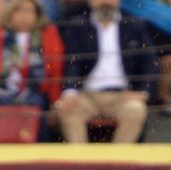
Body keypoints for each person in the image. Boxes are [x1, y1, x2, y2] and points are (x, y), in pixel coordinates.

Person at [56, 0, 157, 144]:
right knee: (66, 109)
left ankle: (119, 163)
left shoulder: (134, 24)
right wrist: (70, 91)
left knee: (136, 110)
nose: (105, 2)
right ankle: (78, 162)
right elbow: (71, 62)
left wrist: (143, 91)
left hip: (122, 95)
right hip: (87, 95)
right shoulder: (77, 25)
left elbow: (150, 61)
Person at [0, 0, 64, 141]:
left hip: (37, 94)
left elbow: (55, 69)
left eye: (29, 11)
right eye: (19, 10)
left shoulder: (48, 33)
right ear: (10, 13)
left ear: (37, 14)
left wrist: (55, 102)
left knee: (38, 108)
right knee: (1, 108)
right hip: (2, 93)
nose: (24, 15)